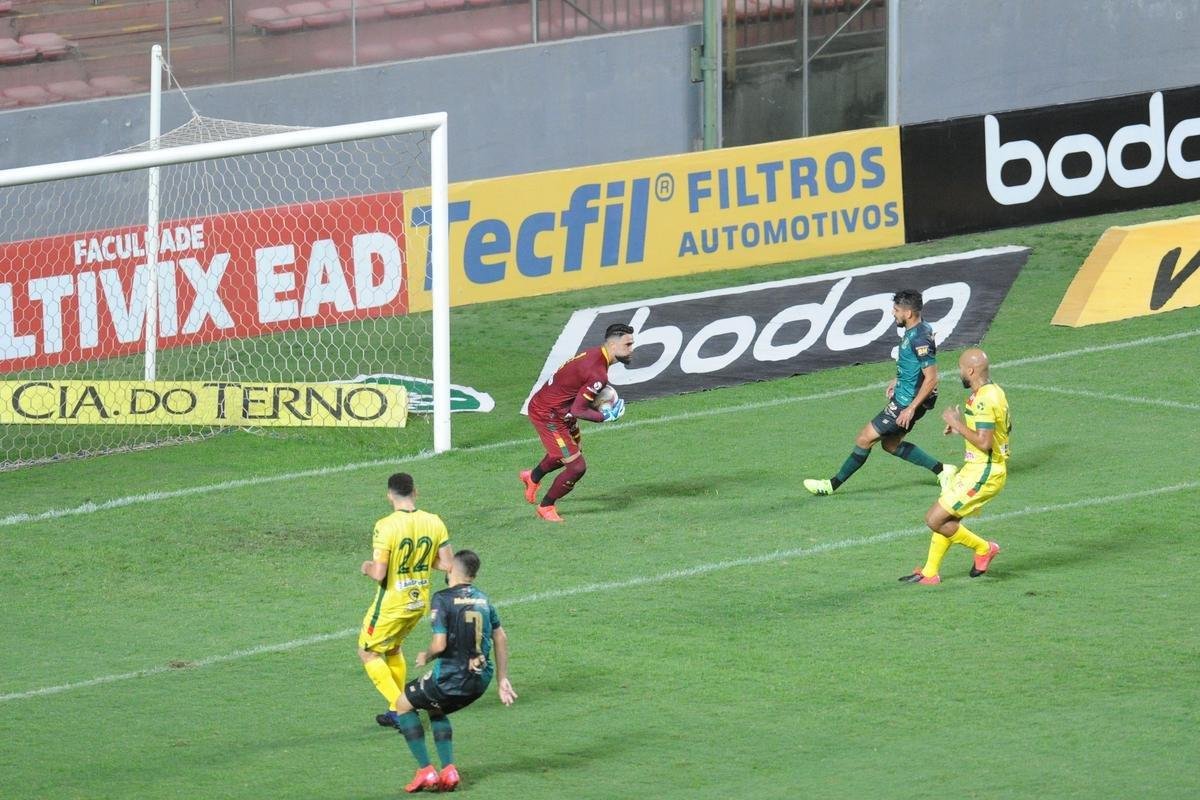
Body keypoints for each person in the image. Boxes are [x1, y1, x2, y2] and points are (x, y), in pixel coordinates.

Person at [803, 289, 956, 496]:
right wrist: (899, 379)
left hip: (907, 402)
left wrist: (911, 408)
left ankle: (830, 485)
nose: (893, 313)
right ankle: (943, 470)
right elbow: (915, 366)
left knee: (864, 439)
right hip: (906, 396)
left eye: (896, 309)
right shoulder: (918, 329)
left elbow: (931, 378)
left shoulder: (920, 339)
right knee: (891, 445)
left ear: (908, 313)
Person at [392, 549, 517, 793]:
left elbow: (440, 645)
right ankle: (448, 771)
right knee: (435, 706)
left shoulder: (442, 598)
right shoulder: (483, 599)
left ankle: (426, 771)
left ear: (451, 569)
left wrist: (425, 655)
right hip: (480, 681)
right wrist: (503, 680)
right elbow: (500, 637)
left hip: (450, 679)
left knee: (403, 704)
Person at [900, 348, 1009, 585]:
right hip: (975, 469)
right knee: (947, 519)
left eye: (961, 368)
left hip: (984, 473)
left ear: (970, 370)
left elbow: (984, 441)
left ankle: (984, 548)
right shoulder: (994, 391)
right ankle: (930, 573)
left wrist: (957, 424)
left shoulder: (983, 400)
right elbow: (1004, 429)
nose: (959, 372)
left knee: (935, 519)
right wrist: (963, 426)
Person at [357, 472, 454, 728]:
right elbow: (447, 563)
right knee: (392, 649)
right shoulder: (434, 521)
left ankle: (404, 709)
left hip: (392, 604)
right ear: (415, 492)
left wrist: (366, 566)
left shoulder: (386, 525)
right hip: (418, 602)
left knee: (367, 652)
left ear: (389, 495)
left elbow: (379, 572)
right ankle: (394, 711)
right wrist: (419, 561)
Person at [520, 322, 635, 522]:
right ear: (613, 346)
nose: (631, 349)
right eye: (628, 345)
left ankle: (533, 477)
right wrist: (605, 416)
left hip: (559, 409)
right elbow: (579, 410)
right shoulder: (598, 373)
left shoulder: (593, 355)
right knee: (576, 467)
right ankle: (546, 507)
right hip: (548, 414)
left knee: (570, 452)